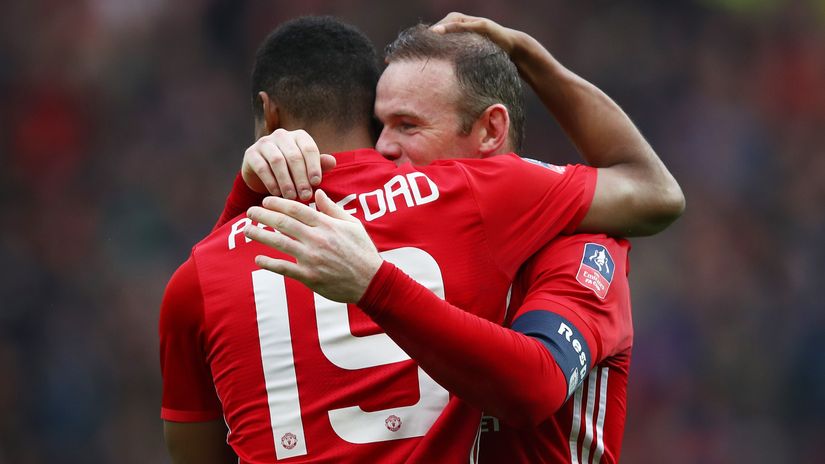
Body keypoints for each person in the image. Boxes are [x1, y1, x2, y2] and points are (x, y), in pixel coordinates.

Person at [161, 14, 681, 464]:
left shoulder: (578, 244)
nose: (382, 148)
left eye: (407, 125)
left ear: (489, 131)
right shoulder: (400, 228)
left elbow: (535, 385)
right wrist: (249, 191)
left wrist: (527, 56)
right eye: (378, 124)